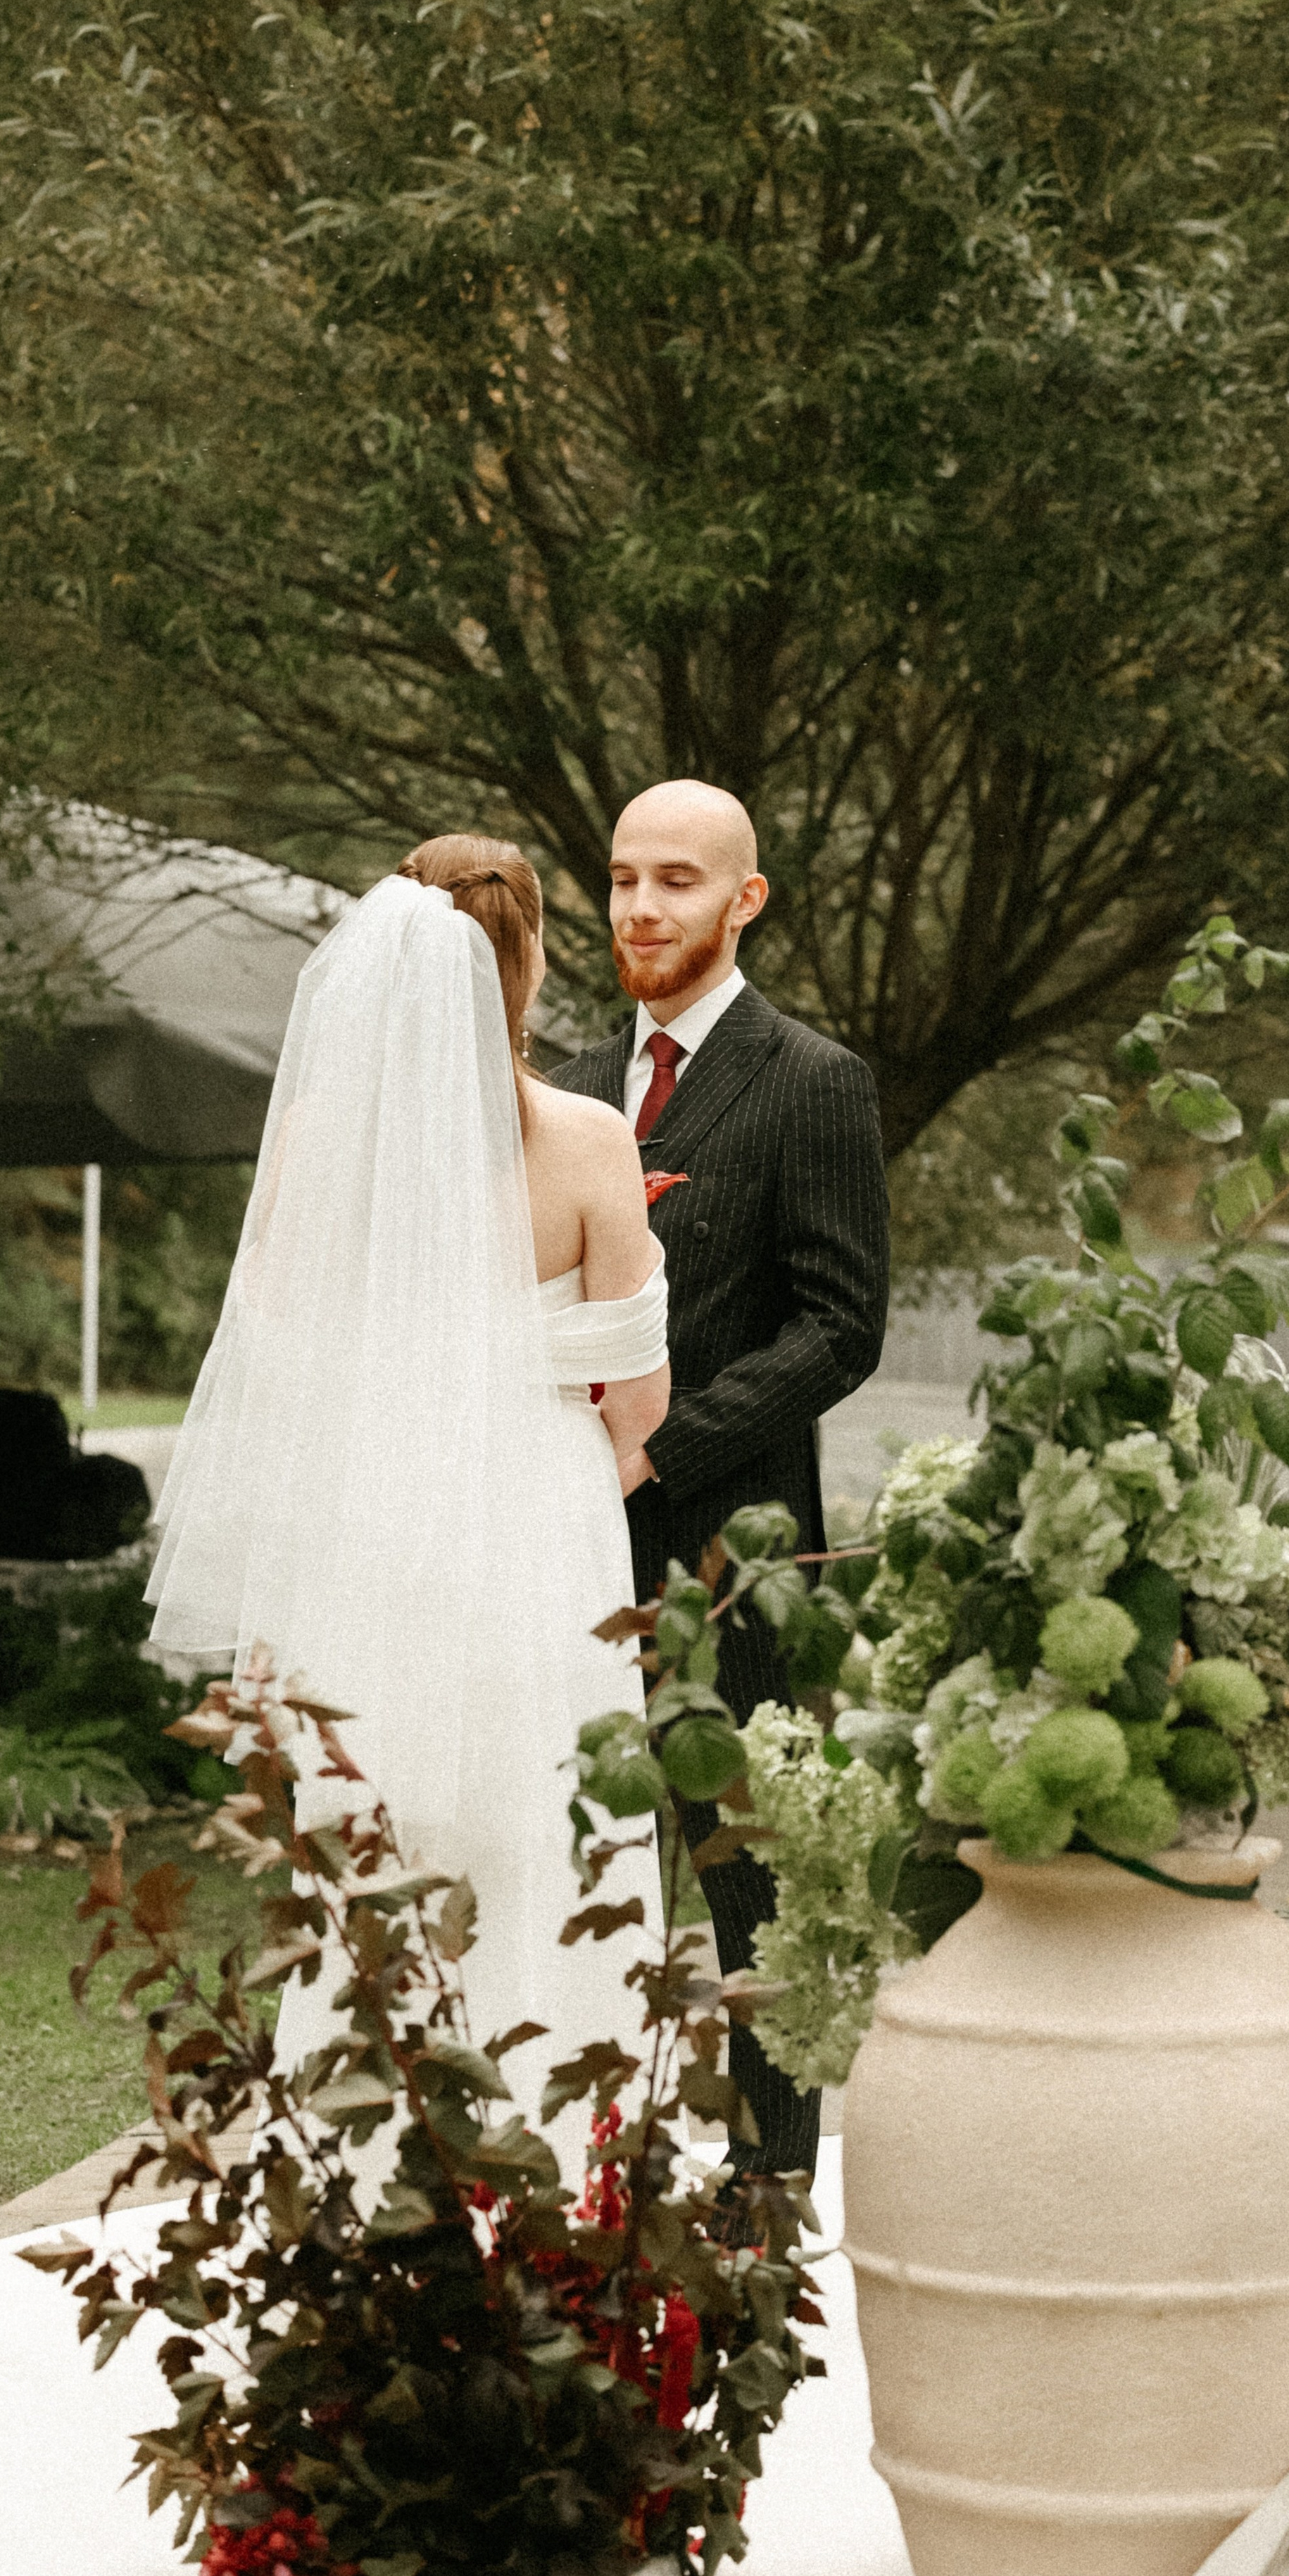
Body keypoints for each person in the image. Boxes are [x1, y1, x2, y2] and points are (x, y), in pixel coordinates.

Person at [145, 835, 669, 2109]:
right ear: (530, 964)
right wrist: (564, 1446)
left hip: (370, 1520)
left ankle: (374, 2142)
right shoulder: (593, 1139)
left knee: (381, 1827)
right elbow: (642, 1397)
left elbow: (272, 1346)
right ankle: (556, 2140)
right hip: (543, 1518)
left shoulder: (324, 1135)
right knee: (550, 1825)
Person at [551, 778, 891, 2178]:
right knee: (572, 1866)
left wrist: (658, 1445)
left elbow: (838, 1325)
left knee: (751, 1891)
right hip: (550, 1547)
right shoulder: (561, 1079)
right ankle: (579, 2181)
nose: (641, 905)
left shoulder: (812, 1081)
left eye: (676, 879)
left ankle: (769, 2203)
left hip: (729, 1558)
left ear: (743, 899)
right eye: (625, 876)